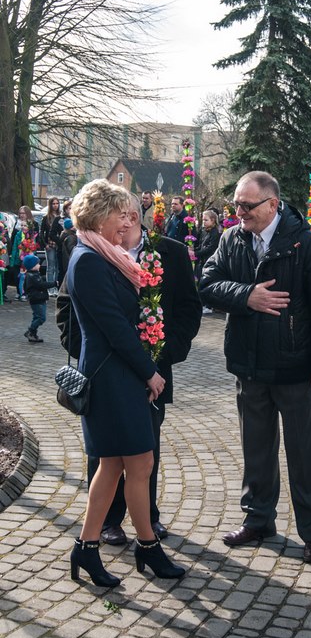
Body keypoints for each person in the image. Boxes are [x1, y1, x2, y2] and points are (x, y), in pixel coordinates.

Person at [200, 171, 311, 564]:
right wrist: (246, 295)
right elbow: (207, 283)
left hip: (296, 367)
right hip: (249, 366)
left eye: (247, 205)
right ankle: (258, 519)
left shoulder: (306, 244)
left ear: (273, 204)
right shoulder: (231, 239)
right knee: (256, 449)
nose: (240, 212)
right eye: (236, 205)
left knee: (304, 453)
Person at [67, 179, 185, 587]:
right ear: (98, 216)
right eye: (121, 216)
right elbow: (116, 328)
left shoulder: (102, 255)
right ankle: (147, 547)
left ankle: (87, 548)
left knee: (115, 465)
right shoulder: (88, 260)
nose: (128, 223)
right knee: (139, 463)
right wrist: (150, 372)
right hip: (110, 378)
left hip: (118, 375)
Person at [91, 193, 202, 546]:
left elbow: (189, 308)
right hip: (108, 372)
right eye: (115, 216)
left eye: (125, 216)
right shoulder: (97, 251)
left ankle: (148, 519)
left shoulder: (171, 252)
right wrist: (90, 354)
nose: (120, 223)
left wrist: (168, 351)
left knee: (146, 449)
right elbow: (68, 309)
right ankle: (107, 521)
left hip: (153, 371)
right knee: (107, 451)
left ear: (137, 218)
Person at [22, 254, 57, 343]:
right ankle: (31, 331)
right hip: (37, 299)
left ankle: (33, 333)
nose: (39, 265)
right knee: (41, 318)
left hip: (38, 299)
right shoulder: (32, 276)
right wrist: (54, 283)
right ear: (32, 266)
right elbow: (41, 285)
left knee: (37, 316)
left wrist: (43, 278)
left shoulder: (34, 274)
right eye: (37, 264)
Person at [10, 206, 40, 300]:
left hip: (28, 256)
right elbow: (14, 242)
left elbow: (35, 242)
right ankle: (19, 291)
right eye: (20, 213)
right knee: (17, 275)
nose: (22, 215)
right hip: (18, 256)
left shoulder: (33, 227)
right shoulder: (17, 227)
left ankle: (25, 292)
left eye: (23, 213)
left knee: (26, 276)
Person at [195, 210, 221, 314]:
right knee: (200, 283)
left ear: (213, 220)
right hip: (201, 261)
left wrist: (196, 253)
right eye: (203, 220)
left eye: (206, 220)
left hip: (209, 261)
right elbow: (200, 244)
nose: (204, 222)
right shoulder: (204, 231)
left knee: (207, 283)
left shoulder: (215, 233)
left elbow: (210, 248)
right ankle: (202, 303)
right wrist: (194, 250)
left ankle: (208, 305)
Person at [40, 196, 60, 296]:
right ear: (50, 205)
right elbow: (41, 232)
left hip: (59, 244)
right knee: (50, 267)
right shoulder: (46, 217)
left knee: (57, 267)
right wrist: (45, 244)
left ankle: (55, 287)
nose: (55, 205)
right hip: (50, 245)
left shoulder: (60, 216)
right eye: (53, 203)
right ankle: (50, 288)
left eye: (57, 203)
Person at [50, 199, 72, 286]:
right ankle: (60, 289)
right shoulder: (59, 219)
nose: (71, 210)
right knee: (62, 270)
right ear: (65, 209)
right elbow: (52, 234)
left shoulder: (76, 219)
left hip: (72, 248)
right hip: (62, 249)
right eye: (70, 208)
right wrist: (61, 241)